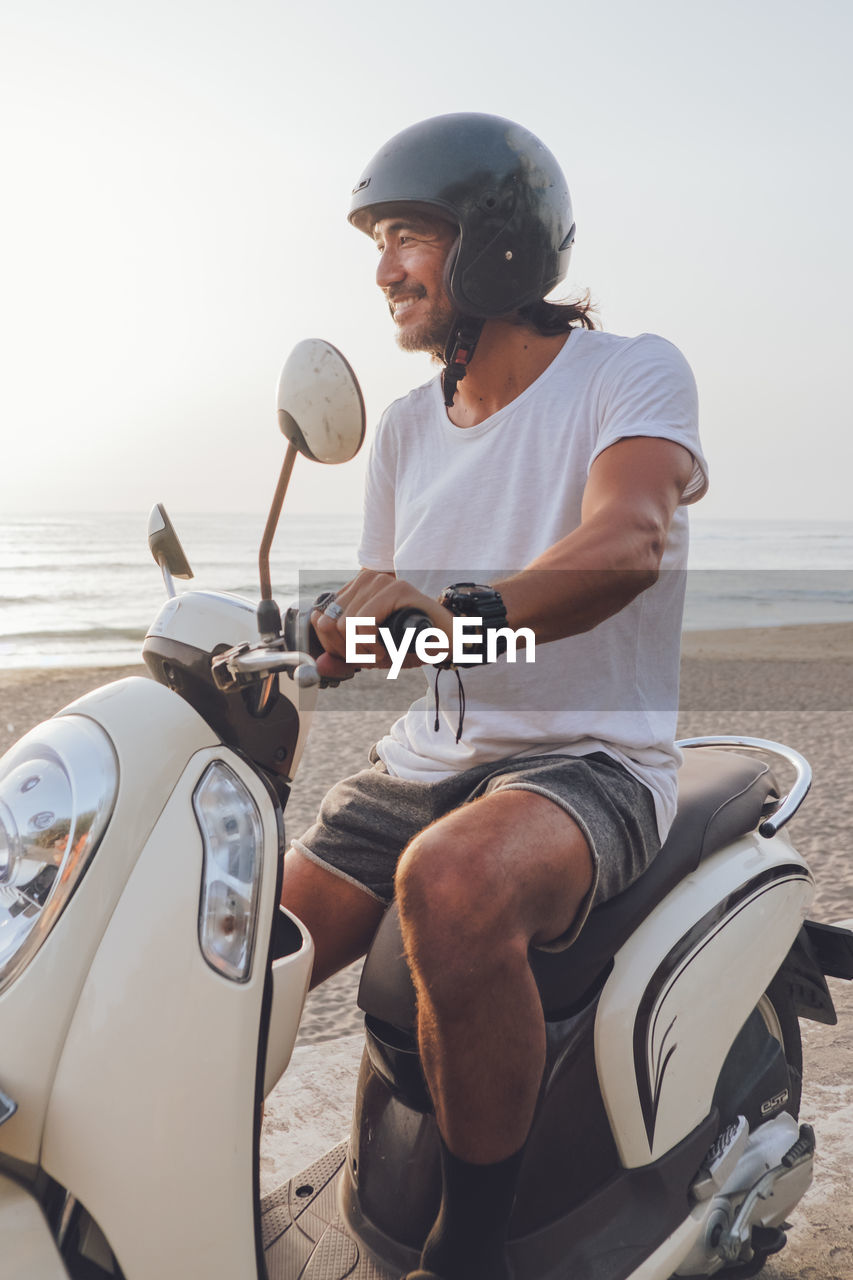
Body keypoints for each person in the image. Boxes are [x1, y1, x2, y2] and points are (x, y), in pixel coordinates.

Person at [282, 113, 708, 1280]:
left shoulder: (629, 372)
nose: (382, 269)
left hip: (591, 763)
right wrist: (336, 637)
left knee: (453, 880)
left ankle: (463, 1256)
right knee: (234, 946)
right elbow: (398, 626)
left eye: (407, 234)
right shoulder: (409, 432)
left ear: (496, 245)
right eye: (377, 241)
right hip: (426, 760)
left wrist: (446, 614)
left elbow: (625, 546)